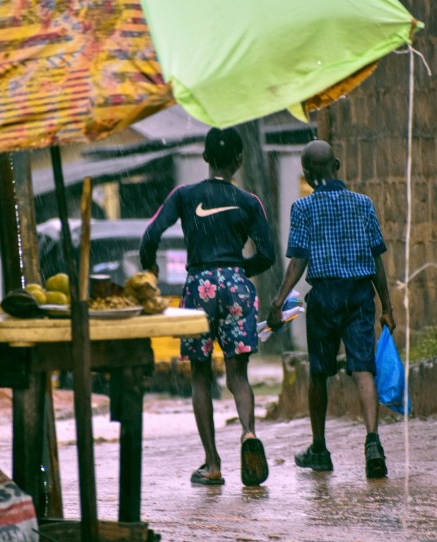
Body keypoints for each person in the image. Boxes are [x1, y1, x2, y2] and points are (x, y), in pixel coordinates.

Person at [140, 127, 276, 486]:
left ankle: (213, 464)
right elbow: (268, 254)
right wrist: (236, 269)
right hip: (235, 285)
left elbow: (151, 233)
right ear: (239, 161)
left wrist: (149, 268)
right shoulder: (249, 201)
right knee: (238, 375)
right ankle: (248, 433)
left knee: (200, 375)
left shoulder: (185, 195)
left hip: (198, 286)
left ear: (204, 158)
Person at [267, 139, 396, 479]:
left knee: (319, 373)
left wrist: (278, 302)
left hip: (324, 297)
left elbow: (298, 260)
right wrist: (387, 306)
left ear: (307, 175)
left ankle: (320, 449)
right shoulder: (363, 204)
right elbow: (376, 259)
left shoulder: (303, 208)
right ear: (336, 166)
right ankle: (373, 443)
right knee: (363, 369)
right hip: (359, 295)